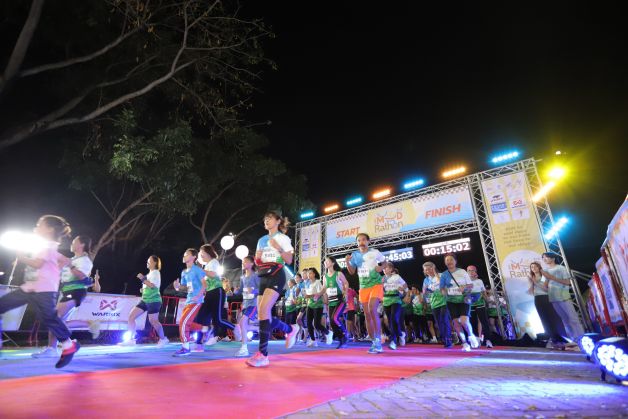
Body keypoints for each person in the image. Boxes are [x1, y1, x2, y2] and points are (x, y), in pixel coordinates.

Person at [0, 215, 79, 368]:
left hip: (43, 289)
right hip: (33, 287)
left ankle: (69, 345)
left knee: (49, 318)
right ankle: (69, 345)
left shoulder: (47, 245)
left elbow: (38, 264)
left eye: (39, 225)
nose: (36, 227)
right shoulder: (50, 246)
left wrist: (21, 256)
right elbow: (64, 260)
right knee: (48, 318)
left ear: (49, 229)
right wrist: (57, 269)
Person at [246, 211, 300, 367]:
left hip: (277, 274)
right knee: (263, 315)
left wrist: (278, 248)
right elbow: (258, 262)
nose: (266, 220)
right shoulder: (261, 240)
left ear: (278, 221)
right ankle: (290, 329)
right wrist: (257, 258)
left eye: (269, 218)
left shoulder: (283, 238)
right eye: (265, 219)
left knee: (264, 310)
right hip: (263, 275)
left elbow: (289, 260)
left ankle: (263, 355)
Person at [32, 235, 96, 358]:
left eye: (74, 241)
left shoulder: (85, 260)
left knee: (54, 317)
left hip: (76, 291)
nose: (71, 243)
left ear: (81, 244)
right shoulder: (72, 259)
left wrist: (70, 265)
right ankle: (82, 329)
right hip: (66, 292)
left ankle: (56, 347)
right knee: (59, 320)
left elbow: (82, 276)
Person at [346, 233, 386, 354]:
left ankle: (378, 339)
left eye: (363, 240)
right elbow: (352, 272)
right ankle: (374, 342)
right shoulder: (355, 255)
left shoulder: (374, 252)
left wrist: (381, 268)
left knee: (372, 308)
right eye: (359, 240)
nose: (361, 242)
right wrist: (347, 262)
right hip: (363, 287)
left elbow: (384, 262)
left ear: (368, 241)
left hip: (375, 284)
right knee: (367, 315)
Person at [118, 255, 169, 347]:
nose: (147, 262)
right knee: (131, 317)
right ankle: (130, 340)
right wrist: (143, 289)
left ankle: (163, 339)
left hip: (154, 300)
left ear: (154, 262)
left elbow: (153, 286)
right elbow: (148, 286)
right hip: (145, 300)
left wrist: (142, 278)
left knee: (153, 321)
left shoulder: (156, 273)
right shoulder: (149, 274)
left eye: (149, 260)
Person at [194, 244, 238, 349]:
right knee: (201, 317)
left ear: (208, 252)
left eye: (202, 252)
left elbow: (213, 274)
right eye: (200, 253)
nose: (200, 255)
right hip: (209, 293)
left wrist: (201, 270)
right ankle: (200, 341)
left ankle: (235, 328)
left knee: (218, 319)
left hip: (217, 292)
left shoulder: (214, 262)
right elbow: (205, 282)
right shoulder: (206, 266)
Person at [542, 252, 585, 346]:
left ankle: (581, 338)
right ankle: (573, 339)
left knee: (573, 318)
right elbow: (545, 287)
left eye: (546, 257)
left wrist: (552, 277)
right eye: (543, 258)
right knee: (565, 320)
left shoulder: (561, 268)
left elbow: (567, 282)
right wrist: (540, 282)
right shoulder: (545, 271)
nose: (544, 259)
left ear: (553, 258)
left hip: (563, 297)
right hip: (553, 298)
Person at [440, 254, 479, 351]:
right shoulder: (444, 275)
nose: (449, 262)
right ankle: (464, 343)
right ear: (445, 262)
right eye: (447, 260)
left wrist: (464, 287)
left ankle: (471, 336)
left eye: (451, 259)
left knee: (464, 321)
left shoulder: (462, 271)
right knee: (456, 323)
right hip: (451, 301)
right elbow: (442, 289)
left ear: (455, 261)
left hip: (464, 299)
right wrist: (444, 292)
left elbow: (470, 285)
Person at [172, 248, 206, 356]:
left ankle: (185, 348)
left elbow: (205, 284)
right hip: (188, 300)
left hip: (196, 301)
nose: (184, 256)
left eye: (187, 254)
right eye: (184, 254)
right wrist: (177, 287)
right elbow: (185, 288)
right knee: (186, 323)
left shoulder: (197, 270)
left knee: (183, 322)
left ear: (193, 257)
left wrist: (198, 296)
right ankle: (205, 329)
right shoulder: (184, 272)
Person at [234, 256, 260, 357]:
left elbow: (262, 289)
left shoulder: (255, 276)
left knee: (242, 322)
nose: (243, 263)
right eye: (243, 262)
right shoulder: (242, 277)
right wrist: (236, 291)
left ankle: (244, 348)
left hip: (253, 304)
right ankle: (259, 328)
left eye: (245, 262)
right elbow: (241, 290)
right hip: (245, 304)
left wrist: (254, 291)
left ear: (252, 263)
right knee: (242, 324)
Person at [322, 256, 350, 348]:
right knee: (332, 322)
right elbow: (324, 289)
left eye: (327, 261)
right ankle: (342, 338)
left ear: (333, 263)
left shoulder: (338, 274)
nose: (325, 262)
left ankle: (345, 332)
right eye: (325, 261)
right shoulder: (325, 277)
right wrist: (322, 297)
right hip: (331, 301)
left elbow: (346, 283)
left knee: (335, 318)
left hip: (340, 300)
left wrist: (345, 292)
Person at [422, 261, 451, 348]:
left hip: (444, 301)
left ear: (433, 268)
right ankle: (444, 338)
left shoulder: (441, 275)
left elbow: (442, 283)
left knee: (444, 320)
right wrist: (425, 291)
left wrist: (435, 273)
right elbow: (424, 292)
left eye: (429, 269)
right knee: (438, 322)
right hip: (434, 303)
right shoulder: (426, 280)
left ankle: (448, 339)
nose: (428, 271)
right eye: (426, 270)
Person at [381, 261, 408, 350]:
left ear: (391, 269)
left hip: (396, 300)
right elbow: (381, 290)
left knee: (394, 319)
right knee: (390, 321)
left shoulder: (397, 277)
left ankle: (394, 341)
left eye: (386, 268)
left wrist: (403, 290)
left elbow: (405, 286)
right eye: (383, 268)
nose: (384, 269)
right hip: (386, 301)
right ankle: (400, 334)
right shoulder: (382, 279)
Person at [305, 268, 333, 346]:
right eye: (308, 273)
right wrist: (306, 297)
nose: (308, 275)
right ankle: (313, 340)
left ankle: (328, 333)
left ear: (314, 274)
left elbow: (321, 293)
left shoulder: (317, 282)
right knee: (308, 323)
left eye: (310, 273)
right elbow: (308, 295)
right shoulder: (308, 284)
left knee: (317, 324)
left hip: (318, 305)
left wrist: (310, 296)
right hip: (310, 305)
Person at [467, 265, 493, 348]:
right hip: (470, 304)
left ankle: (488, 340)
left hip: (480, 304)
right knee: (472, 322)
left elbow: (484, 292)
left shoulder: (479, 281)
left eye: (472, 270)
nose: (471, 272)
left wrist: (487, 299)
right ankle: (476, 340)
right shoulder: (465, 281)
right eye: (469, 270)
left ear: (475, 271)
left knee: (484, 322)